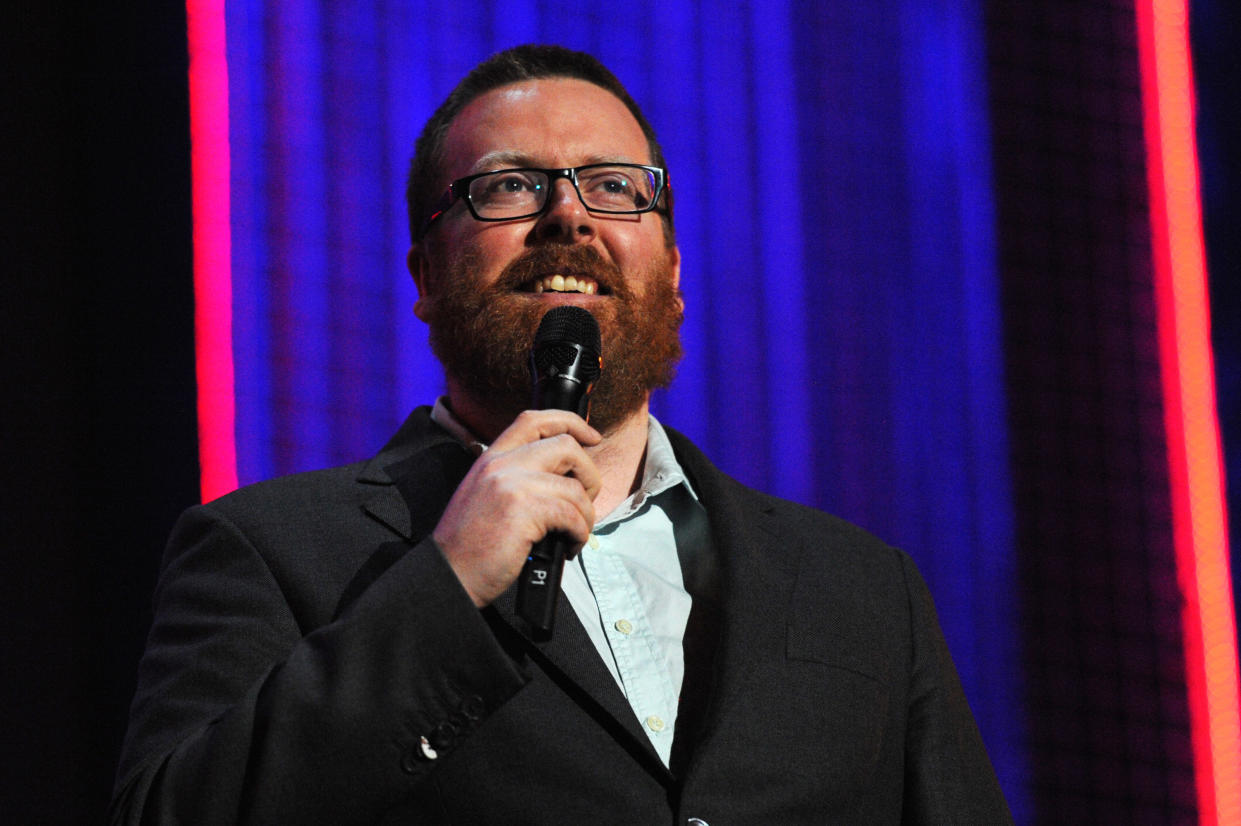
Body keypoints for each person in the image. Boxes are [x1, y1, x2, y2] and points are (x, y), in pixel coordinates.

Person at [112, 45, 1011, 825]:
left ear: (672, 271)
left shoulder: (859, 588)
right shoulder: (269, 549)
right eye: (509, 186)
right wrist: (449, 584)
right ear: (425, 274)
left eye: (615, 187)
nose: (568, 216)